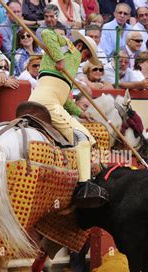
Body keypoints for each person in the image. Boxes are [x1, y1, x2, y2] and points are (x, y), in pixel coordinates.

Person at [28, 29, 109, 209]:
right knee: (84, 138)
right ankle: (84, 186)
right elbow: (46, 33)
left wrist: (80, 113)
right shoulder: (66, 44)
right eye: (86, 55)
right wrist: (59, 58)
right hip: (47, 104)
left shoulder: (69, 72)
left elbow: (65, 101)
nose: (85, 60)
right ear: (80, 46)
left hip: (43, 101)